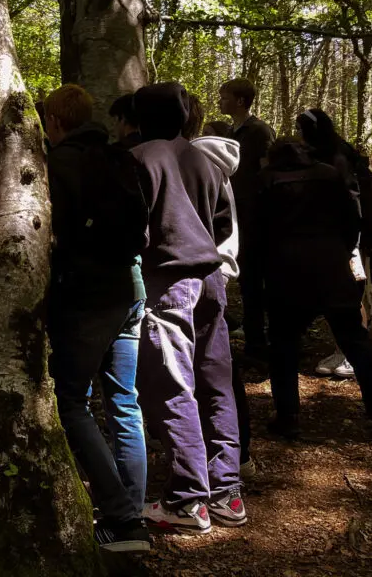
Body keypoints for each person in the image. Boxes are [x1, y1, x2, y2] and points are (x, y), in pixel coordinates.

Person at [132, 83, 246, 532]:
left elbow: (133, 226)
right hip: (211, 279)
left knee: (172, 383)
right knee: (216, 381)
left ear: (141, 117)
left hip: (168, 280)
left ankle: (188, 499)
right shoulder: (204, 160)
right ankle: (226, 491)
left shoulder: (139, 159)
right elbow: (220, 223)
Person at [43, 85, 151, 552]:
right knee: (124, 402)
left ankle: (124, 520)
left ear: (54, 121)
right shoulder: (119, 158)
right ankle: (133, 510)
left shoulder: (59, 163)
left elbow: (53, 233)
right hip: (128, 289)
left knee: (70, 401)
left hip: (87, 297)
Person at [255, 138, 372, 443]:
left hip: (286, 271)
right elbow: (352, 220)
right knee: (357, 344)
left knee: (284, 347)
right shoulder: (329, 175)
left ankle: (288, 417)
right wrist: (340, 252)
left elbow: (256, 231)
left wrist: (263, 267)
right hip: (331, 268)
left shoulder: (266, 180)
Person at [184, 96, 255, 481]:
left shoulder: (193, 166)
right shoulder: (218, 169)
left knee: (199, 374)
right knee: (218, 371)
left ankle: (211, 472)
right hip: (217, 272)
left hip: (194, 274)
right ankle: (233, 459)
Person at [297, 108, 372, 379]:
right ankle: (342, 349)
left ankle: (351, 354)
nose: (298, 135)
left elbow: (355, 203)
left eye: (300, 129)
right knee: (335, 295)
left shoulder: (338, 158)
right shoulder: (321, 155)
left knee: (352, 294)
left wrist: (355, 244)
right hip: (330, 239)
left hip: (348, 238)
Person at [219, 78, 275, 361]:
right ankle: (254, 338)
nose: (220, 101)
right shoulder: (232, 131)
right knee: (247, 281)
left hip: (256, 216)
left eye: (225, 96)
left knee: (256, 279)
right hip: (236, 214)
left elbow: (268, 173)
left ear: (240, 101)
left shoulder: (259, 131)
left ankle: (261, 345)